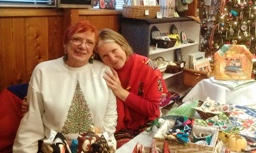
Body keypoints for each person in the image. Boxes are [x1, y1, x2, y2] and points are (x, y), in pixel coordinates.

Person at [13, 20, 118, 152]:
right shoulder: (43, 71)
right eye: (76, 39)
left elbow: (110, 117)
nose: (82, 46)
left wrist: (92, 144)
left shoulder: (105, 72)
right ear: (65, 44)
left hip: (97, 147)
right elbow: (32, 122)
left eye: (89, 42)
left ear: (93, 50)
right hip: (56, 148)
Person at [96, 28, 168, 148]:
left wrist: (120, 92)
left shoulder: (148, 67)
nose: (112, 58)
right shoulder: (102, 71)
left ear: (123, 46)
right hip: (119, 127)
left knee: (151, 148)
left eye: (114, 50)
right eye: (105, 56)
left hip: (146, 120)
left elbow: (153, 109)